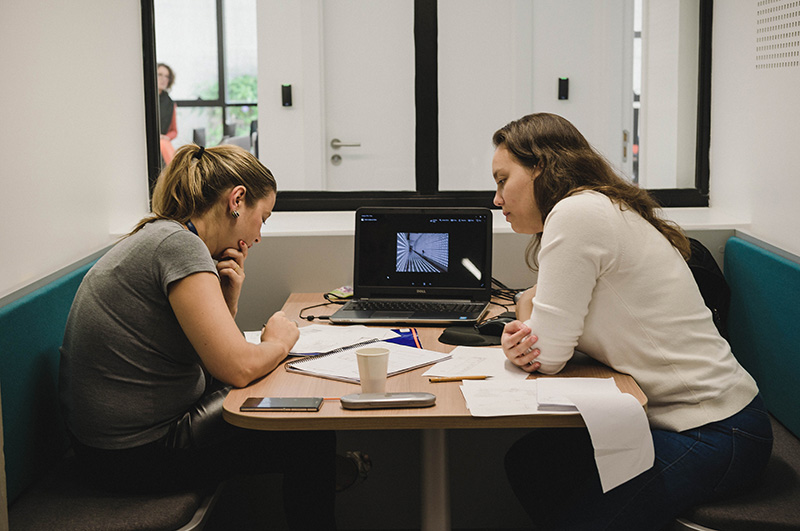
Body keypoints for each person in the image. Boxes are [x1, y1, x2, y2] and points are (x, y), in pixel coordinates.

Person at [492, 113, 772, 530]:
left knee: (574, 508)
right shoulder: (595, 206)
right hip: (687, 422)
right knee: (531, 460)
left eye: (502, 180)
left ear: (542, 168)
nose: (496, 199)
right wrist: (531, 321)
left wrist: (524, 316)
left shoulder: (575, 214)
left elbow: (546, 356)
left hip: (716, 431)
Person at [59, 144, 336, 530]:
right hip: (135, 456)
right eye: (263, 218)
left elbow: (206, 355)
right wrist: (280, 340)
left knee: (289, 412)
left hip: (105, 451)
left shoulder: (164, 236)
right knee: (310, 437)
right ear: (237, 200)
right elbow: (236, 368)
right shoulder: (180, 246)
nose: (258, 235)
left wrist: (228, 301)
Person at [157, 62, 178, 165]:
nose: (163, 79)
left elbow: (174, 131)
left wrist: (166, 137)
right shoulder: (144, 99)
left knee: (163, 143)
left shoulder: (170, 103)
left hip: (163, 142)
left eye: (166, 76)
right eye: (160, 74)